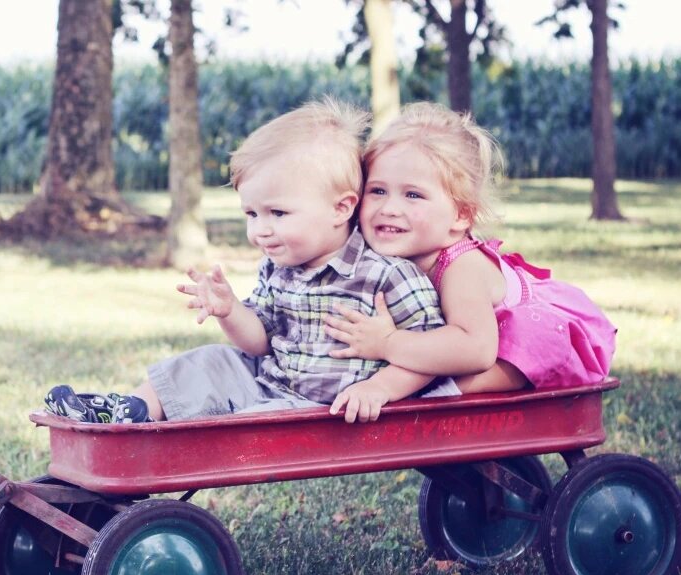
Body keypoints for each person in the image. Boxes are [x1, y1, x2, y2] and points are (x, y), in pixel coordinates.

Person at [44, 98, 450, 425]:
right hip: (268, 382)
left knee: (245, 427)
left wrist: (381, 388)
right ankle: (129, 412)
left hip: (319, 411)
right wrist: (230, 311)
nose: (260, 231)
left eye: (277, 213)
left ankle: (156, 439)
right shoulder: (279, 265)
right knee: (209, 360)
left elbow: (432, 354)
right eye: (251, 215)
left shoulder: (386, 275)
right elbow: (259, 341)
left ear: (340, 208)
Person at [326, 102, 616, 393]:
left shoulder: (461, 269)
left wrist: (387, 344)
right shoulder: (388, 252)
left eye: (413, 195)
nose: (389, 208)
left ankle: (441, 394)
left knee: (468, 371)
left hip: (531, 342)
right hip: (474, 339)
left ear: (461, 215)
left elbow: (476, 349)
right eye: (378, 191)